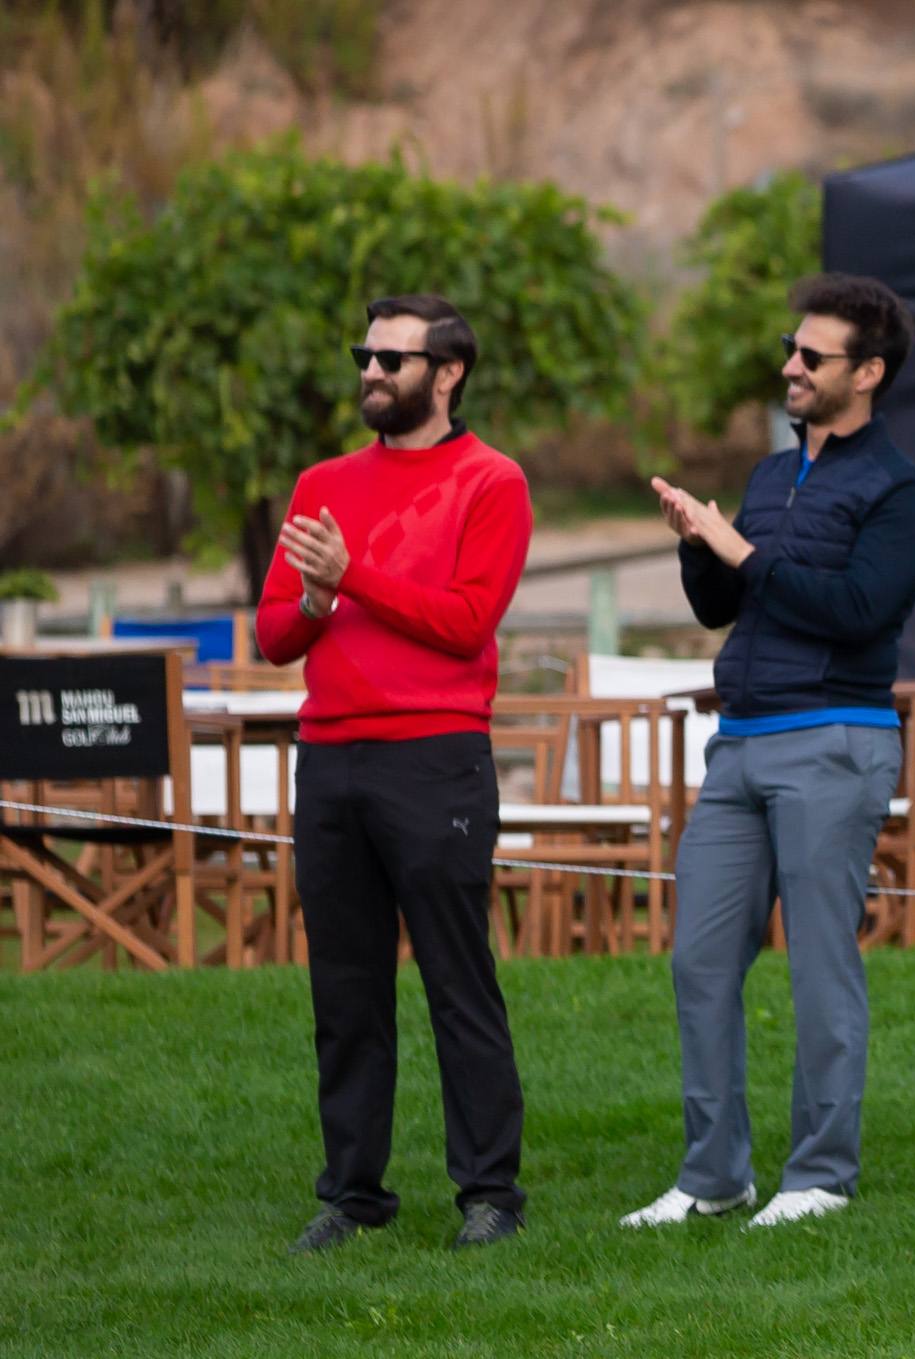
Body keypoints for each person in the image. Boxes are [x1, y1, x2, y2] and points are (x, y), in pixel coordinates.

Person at [626, 275, 915, 1231]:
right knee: (699, 962)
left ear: (870, 372)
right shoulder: (769, 478)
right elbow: (724, 606)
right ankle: (714, 1175)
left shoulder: (901, 491)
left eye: (813, 356)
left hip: (835, 744)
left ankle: (818, 1177)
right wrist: (698, 544)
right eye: (790, 349)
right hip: (740, 747)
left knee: (819, 965)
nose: (789, 367)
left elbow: (857, 613)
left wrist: (744, 551)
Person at [257, 295, 535, 1252]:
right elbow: (273, 635)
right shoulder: (322, 481)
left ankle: (490, 1192)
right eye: (363, 356)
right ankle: (354, 1193)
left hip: (436, 759)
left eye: (390, 360)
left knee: (459, 980)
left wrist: (353, 575)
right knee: (345, 987)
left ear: (447, 373)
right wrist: (320, 594)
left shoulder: (492, 481)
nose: (370, 373)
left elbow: (466, 621)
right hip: (330, 758)